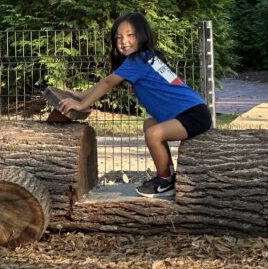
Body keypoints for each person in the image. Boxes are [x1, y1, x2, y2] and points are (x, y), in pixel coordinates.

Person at [59, 12, 212, 197]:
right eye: (118, 37)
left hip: (193, 114)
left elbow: (108, 83)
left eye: (130, 35)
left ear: (142, 35)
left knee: (153, 134)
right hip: (193, 110)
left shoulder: (137, 60)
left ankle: (165, 182)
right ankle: (169, 175)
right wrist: (81, 95)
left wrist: (82, 104)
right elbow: (111, 82)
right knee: (149, 124)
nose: (124, 41)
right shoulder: (147, 58)